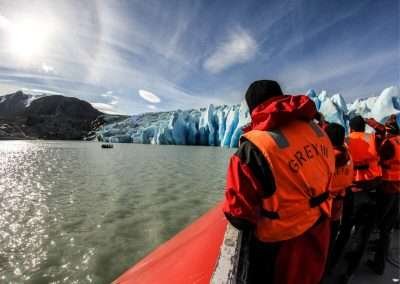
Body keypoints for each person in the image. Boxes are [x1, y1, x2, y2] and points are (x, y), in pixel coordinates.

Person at [223, 80, 335, 284]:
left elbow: (239, 216)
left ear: (252, 109)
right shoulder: (318, 132)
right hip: (321, 229)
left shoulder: (253, 148)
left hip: (282, 246)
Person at [332, 115, 382, 283]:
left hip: (351, 191)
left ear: (351, 128)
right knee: (361, 233)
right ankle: (348, 270)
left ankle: (332, 262)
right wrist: (373, 123)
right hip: (371, 191)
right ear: (364, 127)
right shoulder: (373, 138)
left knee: (345, 229)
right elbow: (384, 137)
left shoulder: (345, 141)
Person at [366, 114, 400, 275]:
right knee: (388, 226)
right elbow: (385, 129)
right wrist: (373, 123)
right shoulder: (398, 140)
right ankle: (380, 250)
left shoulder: (387, 144)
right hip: (398, 189)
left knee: (378, 223)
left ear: (389, 132)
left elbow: (378, 158)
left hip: (387, 188)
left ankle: (377, 263)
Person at [323, 123, 354, 275]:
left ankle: (322, 272)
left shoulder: (326, 158)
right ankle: (329, 267)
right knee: (331, 241)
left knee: (322, 244)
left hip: (324, 208)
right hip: (338, 204)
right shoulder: (347, 154)